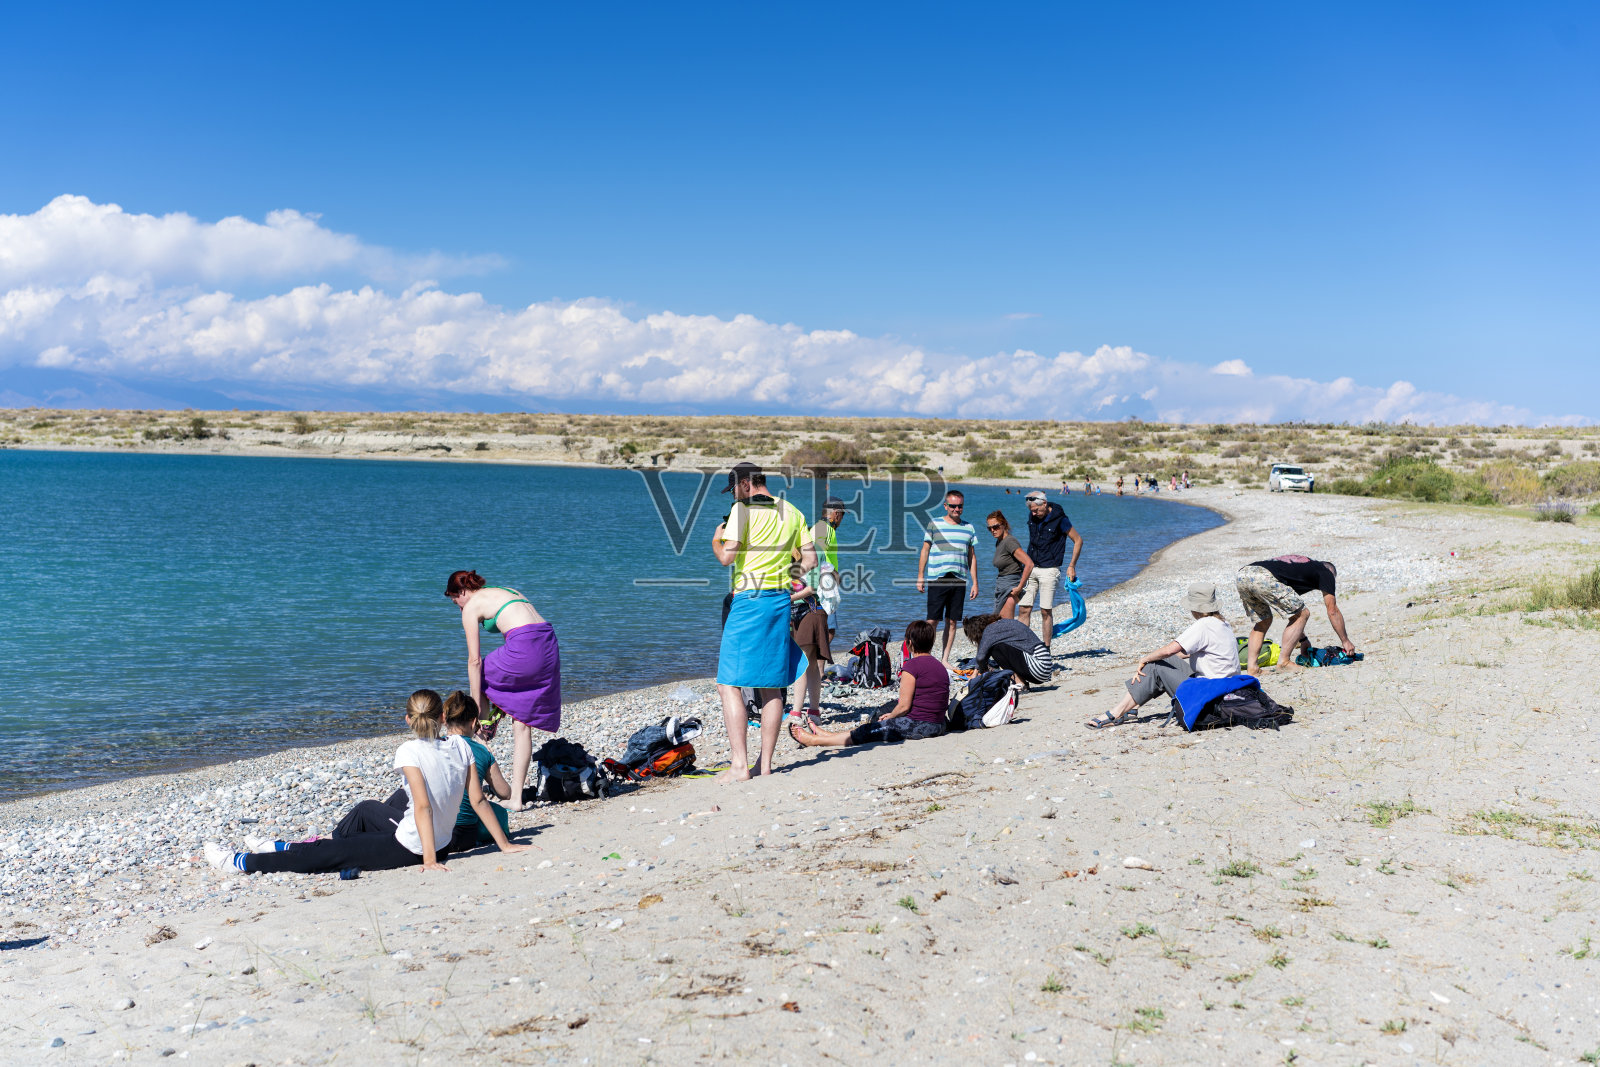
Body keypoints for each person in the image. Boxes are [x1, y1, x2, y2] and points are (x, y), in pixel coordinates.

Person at [204, 690, 530, 874]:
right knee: (349, 842)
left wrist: (430, 860)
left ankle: (240, 862)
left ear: (408, 719)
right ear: (442, 718)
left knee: (328, 855)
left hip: (411, 847)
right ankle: (280, 846)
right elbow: (479, 800)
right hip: (438, 842)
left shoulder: (409, 751)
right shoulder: (461, 745)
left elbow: (423, 807)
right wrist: (505, 845)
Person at [713, 461, 815, 781]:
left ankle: (739, 766)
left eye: (734, 490)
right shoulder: (793, 511)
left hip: (749, 600)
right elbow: (810, 560)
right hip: (779, 600)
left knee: (728, 683)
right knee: (771, 687)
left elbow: (727, 557)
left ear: (745, 484)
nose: (734, 496)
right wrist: (782, 574)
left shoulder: (742, 511)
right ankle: (765, 765)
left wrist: (716, 539)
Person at [446, 570, 561, 811]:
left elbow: (474, 661)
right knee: (522, 722)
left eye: (456, 602)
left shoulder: (471, 607)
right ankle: (516, 798)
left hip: (525, 645)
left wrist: (474, 706)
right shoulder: (506, 591)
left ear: (462, 592)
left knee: (481, 673)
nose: (459, 608)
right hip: (548, 643)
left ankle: (482, 726)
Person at [1084, 582, 1237, 729]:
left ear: (1194, 608)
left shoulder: (1203, 625)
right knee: (1160, 661)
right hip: (1225, 688)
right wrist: (1158, 660)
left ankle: (1117, 712)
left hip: (1209, 694)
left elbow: (1169, 650)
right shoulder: (1222, 623)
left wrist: (1145, 659)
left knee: (1156, 664)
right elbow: (1184, 653)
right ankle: (1132, 706)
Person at [788, 621, 949, 748]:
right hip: (938, 724)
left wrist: (892, 716)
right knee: (873, 727)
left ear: (909, 643)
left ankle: (814, 741)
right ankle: (827, 735)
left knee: (870, 730)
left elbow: (904, 706)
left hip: (921, 725)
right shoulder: (939, 666)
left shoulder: (912, 667)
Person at [1236, 555, 1356, 674]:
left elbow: (1292, 612)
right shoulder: (1325, 571)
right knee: (1303, 614)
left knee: (1263, 621)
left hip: (1243, 574)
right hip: (1264, 577)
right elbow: (1332, 611)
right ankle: (1284, 662)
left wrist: (1303, 640)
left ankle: (1252, 668)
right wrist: (1345, 641)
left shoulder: (1299, 569)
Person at [917, 489, 978, 663]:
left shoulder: (968, 528)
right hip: (938, 578)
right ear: (945, 506)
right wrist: (920, 576)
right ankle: (924, 657)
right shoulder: (934, 524)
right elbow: (925, 550)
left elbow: (972, 557)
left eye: (960, 506)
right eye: (953, 506)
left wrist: (975, 582)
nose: (956, 509)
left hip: (959, 579)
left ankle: (944, 660)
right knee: (932, 621)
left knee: (952, 622)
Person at [1019, 490, 1083, 639]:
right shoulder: (1033, 515)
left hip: (1049, 570)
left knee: (1045, 611)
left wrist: (1071, 566)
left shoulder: (1060, 519)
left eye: (1036, 510)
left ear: (1044, 504)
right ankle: (1022, 646)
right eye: (1031, 510)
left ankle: (1046, 648)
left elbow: (1078, 540)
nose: (1033, 513)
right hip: (1030, 568)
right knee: (1023, 609)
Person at [787, 550, 831, 732]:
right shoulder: (786, 554)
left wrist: (786, 599)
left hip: (812, 610)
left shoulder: (813, 553)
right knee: (811, 664)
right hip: (797, 612)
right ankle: (814, 711)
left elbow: (812, 587)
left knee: (802, 662)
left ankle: (796, 713)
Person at [963, 612, 1054, 687]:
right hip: (1045, 667)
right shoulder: (1001, 624)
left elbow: (981, 657)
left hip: (1038, 667)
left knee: (995, 648)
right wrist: (975, 672)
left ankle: (1019, 683)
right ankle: (1021, 682)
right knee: (994, 646)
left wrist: (981, 673)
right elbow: (983, 654)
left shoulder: (990, 630)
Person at [984, 510, 1034, 619]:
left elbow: (1029, 564)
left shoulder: (1009, 542)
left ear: (1004, 524)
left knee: (1005, 624)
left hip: (1010, 587)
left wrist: (1019, 587)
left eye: (995, 527)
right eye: (989, 528)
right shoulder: (999, 542)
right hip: (1002, 586)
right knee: (998, 622)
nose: (992, 530)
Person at [813, 496, 847, 640]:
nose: (842, 519)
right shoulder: (825, 529)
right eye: (843, 515)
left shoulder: (820, 527)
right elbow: (818, 554)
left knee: (822, 627)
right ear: (836, 514)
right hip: (823, 584)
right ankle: (819, 655)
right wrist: (834, 573)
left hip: (818, 582)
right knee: (829, 629)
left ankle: (816, 654)